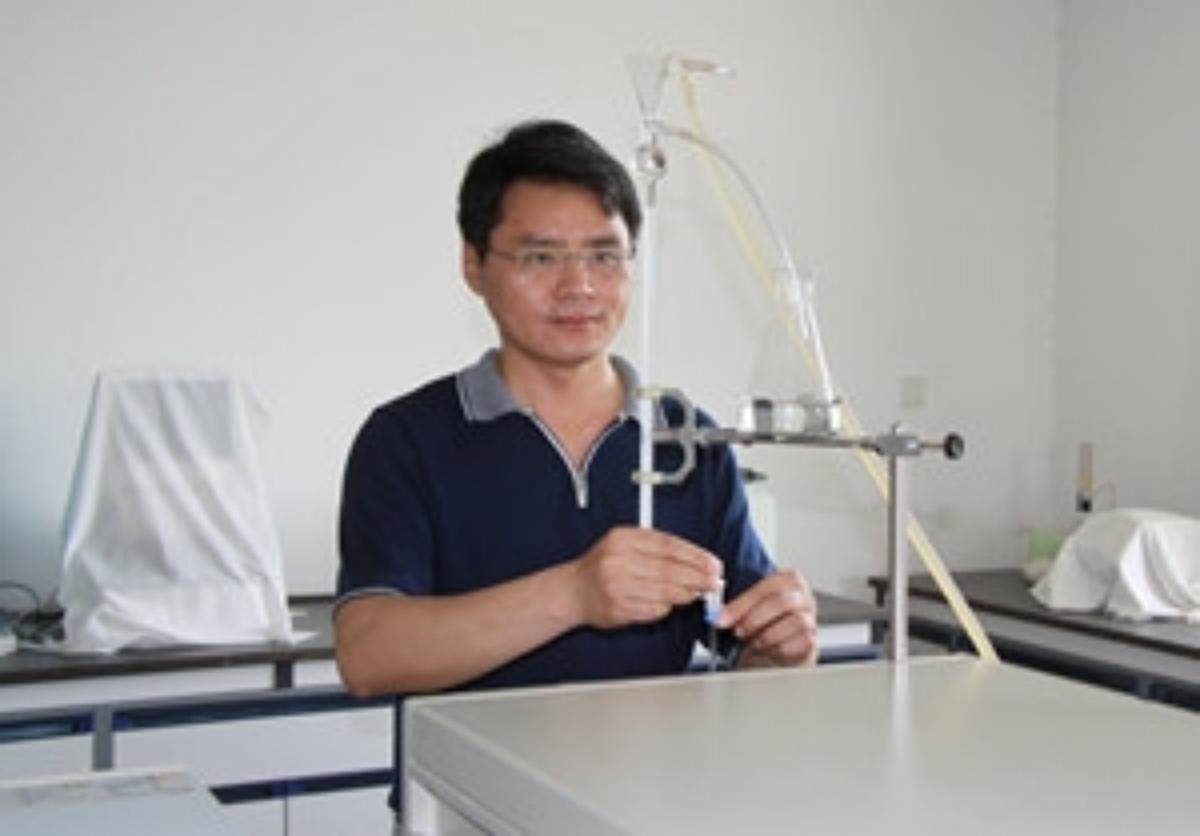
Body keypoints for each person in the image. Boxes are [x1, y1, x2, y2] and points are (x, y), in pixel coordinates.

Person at [334, 119, 818, 816]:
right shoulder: (407, 439)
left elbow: (745, 648)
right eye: (540, 257)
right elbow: (369, 655)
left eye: (604, 256)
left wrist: (780, 648)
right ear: (474, 264)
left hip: (647, 807)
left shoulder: (685, 440)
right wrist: (574, 592)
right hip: (467, 810)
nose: (580, 286)